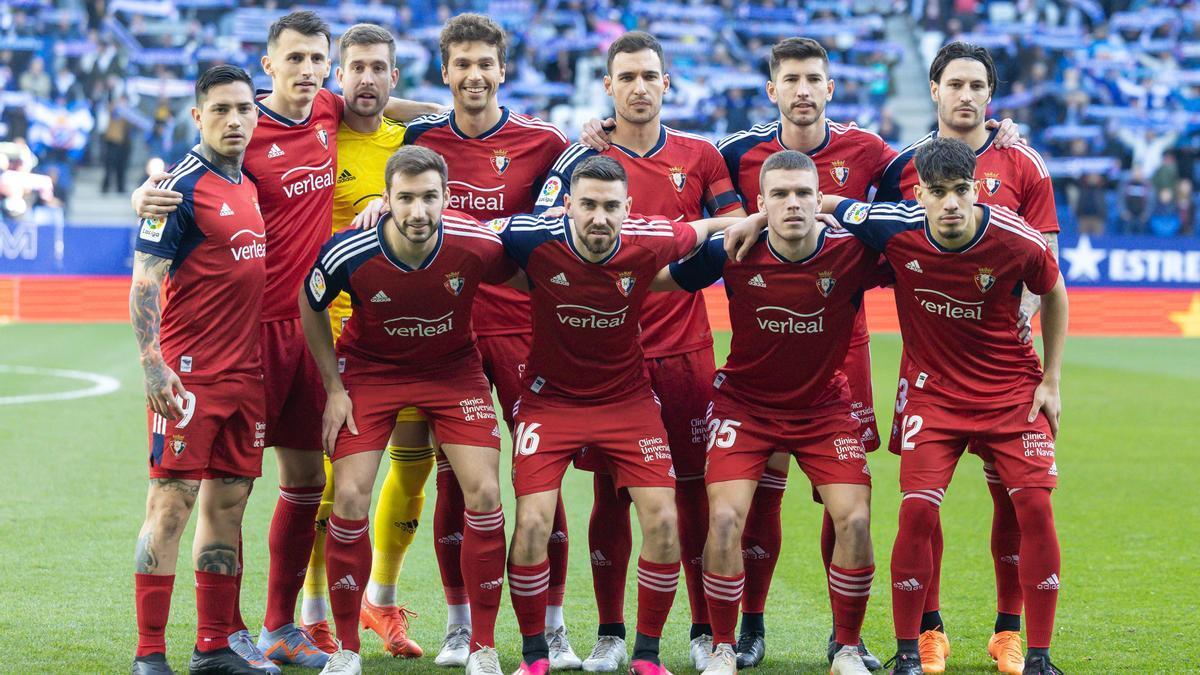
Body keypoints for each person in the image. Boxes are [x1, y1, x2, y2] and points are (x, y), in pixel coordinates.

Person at [130, 13, 439, 668]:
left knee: (305, 479)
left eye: (316, 59)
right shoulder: (244, 125)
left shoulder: (328, 107)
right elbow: (190, 178)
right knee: (220, 490)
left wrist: (449, 110)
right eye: (293, 57)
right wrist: (148, 193)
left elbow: (385, 100)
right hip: (239, 338)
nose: (306, 70)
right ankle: (207, 634)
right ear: (268, 64)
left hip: (309, 330)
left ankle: (280, 626)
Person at [743, 136, 1064, 675]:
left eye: (962, 191)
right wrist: (756, 221)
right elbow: (824, 203)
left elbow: (1054, 291)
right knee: (917, 510)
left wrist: (1051, 380)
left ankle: (1036, 653)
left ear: (978, 190)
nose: (952, 203)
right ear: (920, 196)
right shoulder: (892, 224)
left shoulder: (1013, 236)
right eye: (938, 193)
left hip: (1010, 392)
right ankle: (912, 650)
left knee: (1033, 507)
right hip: (933, 394)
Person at [534, 31, 745, 671]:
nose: (639, 86)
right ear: (607, 85)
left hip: (683, 350)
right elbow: (543, 233)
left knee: (690, 490)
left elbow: (734, 231)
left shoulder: (701, 156)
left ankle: (706, 631)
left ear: (667, 82)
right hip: (606, 356)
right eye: (627, 76)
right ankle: (610, 632)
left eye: (650, 75)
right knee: (608, 496)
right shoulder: (579, 161)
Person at [495, 156, 742, 675]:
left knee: (666, 520)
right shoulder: (531, 236)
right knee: (534, 521)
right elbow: (467, 236)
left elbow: (705, 227)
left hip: (628, 402)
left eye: (611, 207)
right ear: (568, 206)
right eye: (587, 205)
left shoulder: (649, 239)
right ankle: (535, 657)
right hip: (550, 401)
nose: (599, 218)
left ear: (627, 208)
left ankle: (647, 657)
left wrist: (766, 219)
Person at [398, 14, 578, 667]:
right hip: (450, 334)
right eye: (462, 65)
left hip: (529, 331)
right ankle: (458, 625)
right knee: (457, 484)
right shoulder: (418, 140)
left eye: (486, 65)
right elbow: (349, 103)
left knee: (540, 483)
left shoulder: (546, 141)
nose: (474, 76)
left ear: (503, 69)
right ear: (444, 72)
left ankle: (551, 625)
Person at [876, 41, 1061, 675]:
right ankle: (927, 631)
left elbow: (1048, 262)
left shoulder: (1022, 161)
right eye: (955, 84)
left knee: (1016, 502)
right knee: (922, 503)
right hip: (927, 368)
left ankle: (1010, 631)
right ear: (933, 90)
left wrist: (1026, 315)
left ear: (991, 93)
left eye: (977, 85)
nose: (966, 95)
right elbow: (874, 238)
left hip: (1006, 364)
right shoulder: (901, 166)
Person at [663, 150, 885, 675]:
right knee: (724, 518)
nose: (793, 204)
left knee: (854, 518)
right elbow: (656, 279)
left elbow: (925, 251)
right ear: (760, 203)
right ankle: (722, 646)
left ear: (819, 200)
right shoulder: (734, 248)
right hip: (746, 404)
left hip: (823, 408)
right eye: (779, 195)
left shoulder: (854, 251)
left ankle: (847, 648)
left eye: (803, 193)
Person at [299, 145, 516, 675]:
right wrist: (333, 387)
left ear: (447, 197)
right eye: (406, 198)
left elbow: (533, 275)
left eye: (429, 198)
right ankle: (348, 648)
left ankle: (482, 647)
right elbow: (310, 302)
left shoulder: (478, 243)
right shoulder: (349, 251)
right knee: (348, 493)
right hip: (371, 372)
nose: (418, 211)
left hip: (453, 371)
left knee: (485, 491)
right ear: (388, 199)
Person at [297, 23, 431, 659]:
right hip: (335, 336)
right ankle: (314, 612)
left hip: (405, 334)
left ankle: (380, 598)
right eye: (356, 68)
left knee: (414, 466)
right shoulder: (313, 132)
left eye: (380, 68)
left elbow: (455, 116)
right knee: (332, 483)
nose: (368, 79)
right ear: (336, 75)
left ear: (394, 75)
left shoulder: (414, 141)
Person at [129, 64, 266, 675]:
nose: (234, 119)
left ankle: (213, 645)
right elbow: (144, 284)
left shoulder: (249, 182)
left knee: (228, 510)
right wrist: (153, 366)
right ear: (197, 116)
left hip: (247, 375)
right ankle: (149, 653)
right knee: (171, 504)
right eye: (220, 110)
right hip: (189, 380)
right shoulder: (176, 191)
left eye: (243, 108)